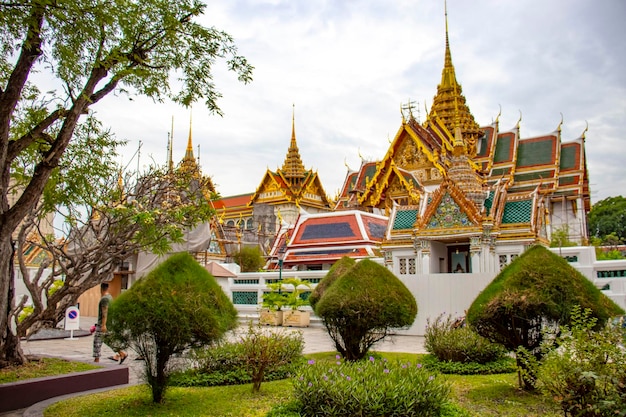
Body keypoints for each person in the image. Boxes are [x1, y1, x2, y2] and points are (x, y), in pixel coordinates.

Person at [93, 282, 127, 364]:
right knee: (109, 340)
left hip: (103, 324)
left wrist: (103, 325)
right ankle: (121, 353)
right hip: (109, 323)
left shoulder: (104, 299)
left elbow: (105, 311)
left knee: (97, 341)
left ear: (101, 289)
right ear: (108, 288)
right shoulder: (110, 297)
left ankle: (96, 359)